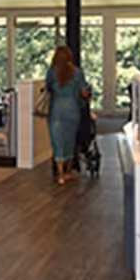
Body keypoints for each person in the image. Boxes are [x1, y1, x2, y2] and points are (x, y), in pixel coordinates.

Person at [46, 46, 90, 186]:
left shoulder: (52, 72)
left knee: (57, 141)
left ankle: (60, 175)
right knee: (70, 141)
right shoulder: (77, 72)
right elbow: (84, 92)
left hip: (56, 109)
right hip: (72, 109)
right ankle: (68, 171)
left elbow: (48, 89)